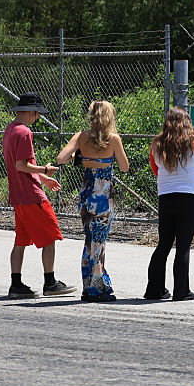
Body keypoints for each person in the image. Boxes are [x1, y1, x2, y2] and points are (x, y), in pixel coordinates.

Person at [2, 92, 77, 298]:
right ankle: (50, 283)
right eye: (37, 114)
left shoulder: (9, 130)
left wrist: (44, 179)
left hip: (17, 196)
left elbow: (19, 166)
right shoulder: (25, 132)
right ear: (31, 111)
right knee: (50, 237)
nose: (38, 118)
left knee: (20, 241)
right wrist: (44, 170)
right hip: (32, 196)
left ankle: (15, 284)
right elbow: (21, 165)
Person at [57, 100, 130, 302]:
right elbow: (125, 167)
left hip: (87, 193)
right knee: (99, 242)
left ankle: (89, 285)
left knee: (90, 241)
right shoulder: (113, 139)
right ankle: (96, 289)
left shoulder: (81, 137)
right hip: (104, 197)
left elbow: (61, 158)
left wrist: (78, 155)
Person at [144, 106, 194, 301]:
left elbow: (156, 170)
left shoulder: (158, 143)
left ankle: (154, 289)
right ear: (187, 122)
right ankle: (181, 291)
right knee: (183, 245)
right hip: (190, 196)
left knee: (164, 244)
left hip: (166, 196)